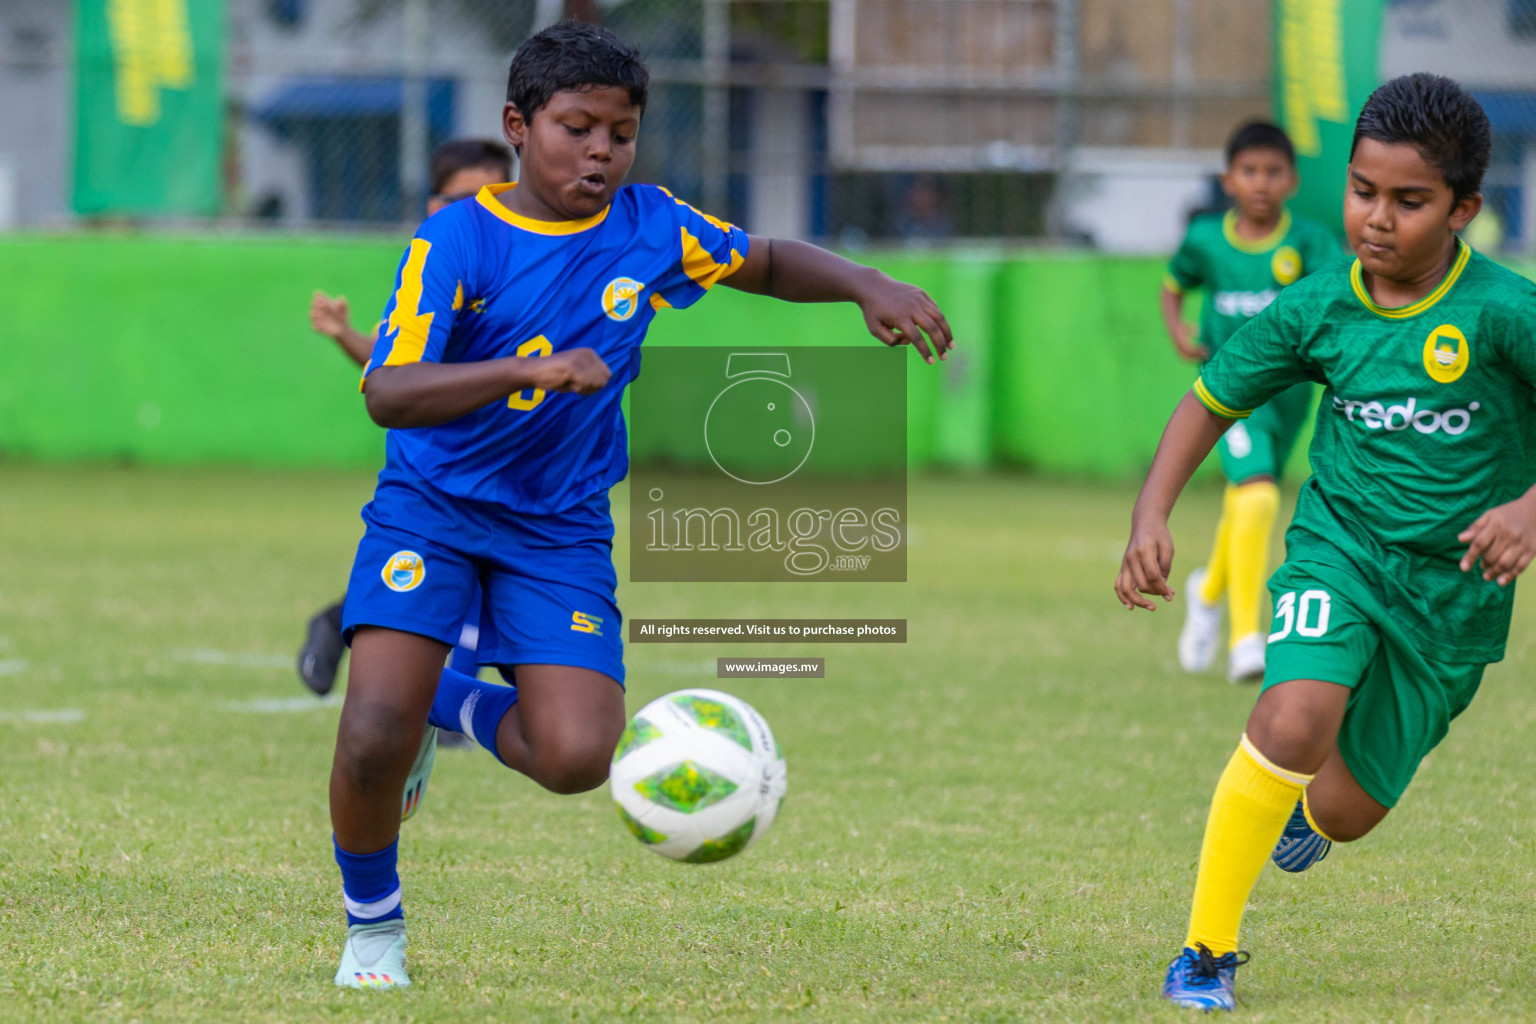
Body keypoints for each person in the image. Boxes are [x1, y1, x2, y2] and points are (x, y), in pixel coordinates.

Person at [329, 21, 953, 990]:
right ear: (517, 125)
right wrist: (525, 368)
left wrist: (864, 285)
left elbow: (767, 260)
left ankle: (438, 697)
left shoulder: (651, 225)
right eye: (575, 127)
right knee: (371, 733)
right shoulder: (457, 238)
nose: (599, 152)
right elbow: (389, 389)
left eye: (619, 133)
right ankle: (373, 930)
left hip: (561, 523)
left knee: (578, 754)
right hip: (433, 506)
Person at [1116, 73, 1536, 1011]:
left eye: (1410, 201)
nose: (1377, 219)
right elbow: (1209, 399)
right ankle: (1205, 954)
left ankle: (1308, 812)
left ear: (1465, 208)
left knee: (1344, 811)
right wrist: (1152, 515)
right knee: (1290, 718)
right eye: (1362, 191)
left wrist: (1528, 511)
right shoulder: (1317, 306)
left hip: (1453, 599)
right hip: (1338, 551)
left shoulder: (1508, 313)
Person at [297, 139, 514, 698]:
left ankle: (342, 626)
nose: (479, 209)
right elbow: (394, 364)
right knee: (441, 570)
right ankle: (446, 698)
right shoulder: (439, 262)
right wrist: (348, 337)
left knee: (477, 575)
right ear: (434, 205)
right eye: (462, 197)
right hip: (441, 466)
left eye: (494, 195)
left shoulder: (527, 263)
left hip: (513, 463)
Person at [1160, 122, 1340, 683]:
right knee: (1259, 498)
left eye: (1273, 172)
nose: (1260, 183)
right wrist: (1178, 331)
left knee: (1247, 501)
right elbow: (1174, 284)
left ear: (1292, 180)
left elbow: (1338, 299)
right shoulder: (1206, 240)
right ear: (1228, 179)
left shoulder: (1308, 243)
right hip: (1230, 395)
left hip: (1289, 399)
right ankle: (1246, 640)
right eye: (1249, 171)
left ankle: (1207, 590)